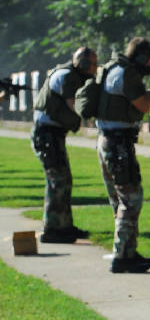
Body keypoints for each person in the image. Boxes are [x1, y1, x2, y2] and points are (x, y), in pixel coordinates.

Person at [95, 37, 150, 273]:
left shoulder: (114, 68)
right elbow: (142, 105)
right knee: (131, 198)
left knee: (121, 199)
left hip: (108, 139)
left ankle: (128, 251)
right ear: (140, 57)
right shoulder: (127, 74)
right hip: (118, 142)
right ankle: (122, 257)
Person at [30, 47, 98, 243]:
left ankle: (64, 226)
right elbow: (75, 105)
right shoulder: (68, 77)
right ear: (79, 62)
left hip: (51, 134)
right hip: (48, 135)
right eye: (88, 63)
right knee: (57, 181)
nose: (91, 67)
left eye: (93, 63)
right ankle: (52, 229)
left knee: (63, 180)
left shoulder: (68, 73)